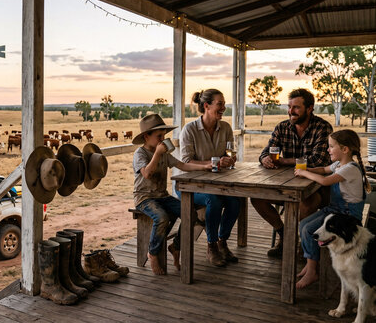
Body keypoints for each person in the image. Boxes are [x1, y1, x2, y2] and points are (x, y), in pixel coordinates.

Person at [252, 88, 333, 258]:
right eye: (289, 107)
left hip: (315, 187)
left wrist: (284, 161)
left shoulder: (322, 128)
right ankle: (285, 235)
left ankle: (301, 243)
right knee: (257, 197)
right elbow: (265, 152)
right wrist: (265, 158)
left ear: (309, 108)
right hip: (285, 186)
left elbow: (318, 160)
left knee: (305, 203)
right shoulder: (282, 127)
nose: (291, 111)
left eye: (296, 107)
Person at [132, 113, 210, 275]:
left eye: (164, 136)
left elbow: (182, 165)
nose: (162, 139)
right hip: (144, 197)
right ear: (146, 136)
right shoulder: (140, 154)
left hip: (162, 196)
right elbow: (147, 173)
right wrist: (158, 154)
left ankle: (176, 246)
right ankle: (152, 253)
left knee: (191, 213)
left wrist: (204, 167)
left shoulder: (164, 154)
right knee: (162, 218)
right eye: (159, 136)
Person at [293, 129, 371, 288]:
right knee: (303, 225)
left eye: (331, 146)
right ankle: (310, 264)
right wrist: (306, 170)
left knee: (309, 230)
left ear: (345, 149)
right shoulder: (338, 164)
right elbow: (323, 170)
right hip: (335, 210)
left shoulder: (350, 169)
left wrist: (303, 172)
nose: (328, 149)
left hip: (347, 215)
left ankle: (312, 272)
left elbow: (325, 180)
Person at [175, 88, 240, 267]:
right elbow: (186, 161)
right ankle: (211, 246)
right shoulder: (189, 130)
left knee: (236, 201)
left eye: (224, 104)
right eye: (220, 104)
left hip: (215, 183)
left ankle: (222, 241)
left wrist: (229, 160)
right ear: (206, 106)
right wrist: (209, 164)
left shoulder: (225, 127)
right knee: (214, 201)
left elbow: (230, 155)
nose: (224, 108)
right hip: (189, 186)